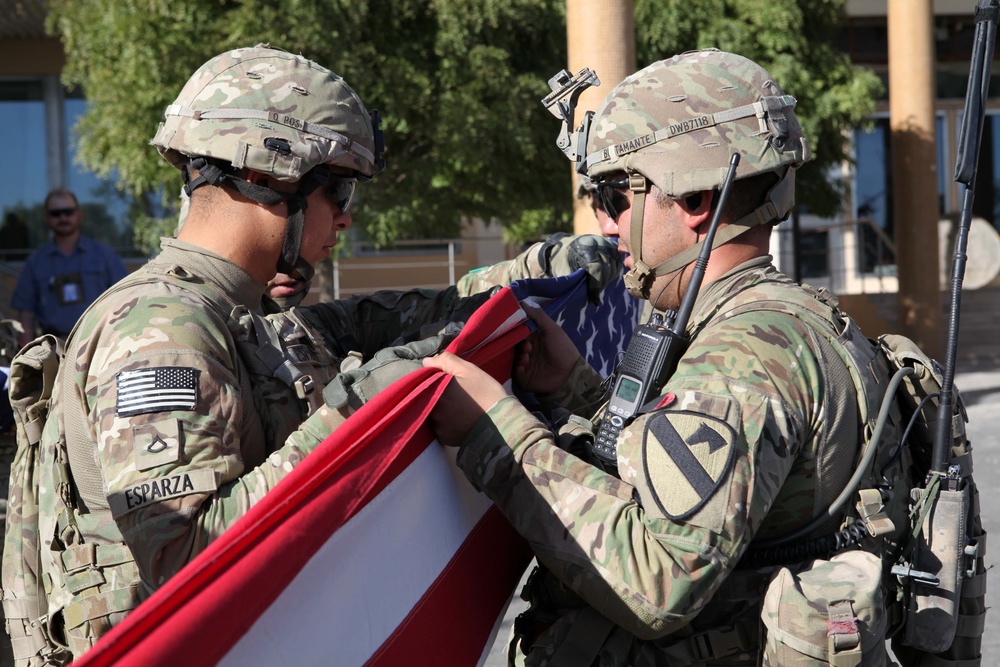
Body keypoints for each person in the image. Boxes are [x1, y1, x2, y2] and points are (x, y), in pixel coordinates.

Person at [1, 44, 621, 665]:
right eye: (338, 192)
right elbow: (185, 561)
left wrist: (528, 273)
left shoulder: (234, 312)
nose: (345, 219)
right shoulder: (163, 328)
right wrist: (352, 418)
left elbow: (377, 319)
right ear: (270, 178)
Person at [422, 50, 914, 665]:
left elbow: (656, 584)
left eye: (615, 193)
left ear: (696, 198)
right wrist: (579, 392)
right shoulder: (794, 322)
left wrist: (495, 434)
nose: (604, 222)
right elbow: (689, 482)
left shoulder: (742, 357)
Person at [10, 189, 128, 346]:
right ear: (47, 218)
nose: (63, 218)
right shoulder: (35, 262)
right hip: (53, 349)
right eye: (56, 213)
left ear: (79, 214)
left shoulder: (104, 255)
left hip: (99, 344)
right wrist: (29, 360)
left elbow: (125, 299)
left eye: (68, 212)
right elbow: (25, 317)